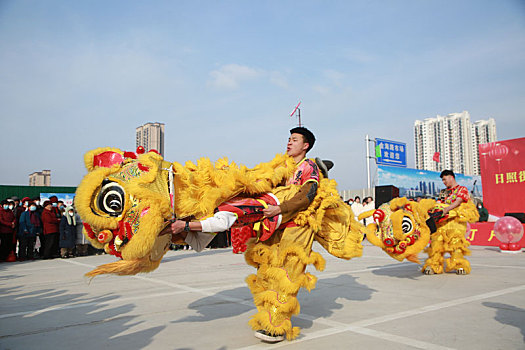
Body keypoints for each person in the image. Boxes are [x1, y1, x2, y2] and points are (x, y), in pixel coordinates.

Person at [161, 127, 363, 342]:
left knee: (288, 274)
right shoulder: (281, 166)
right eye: (288, 139)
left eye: (294, 140)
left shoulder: (308, 166)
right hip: (274, 225)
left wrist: (281, 208)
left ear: (306, 145)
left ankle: (276, 325)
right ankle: (268, 315)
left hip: (297, 227)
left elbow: (308, 194)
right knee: (267, 272)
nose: (289, 143)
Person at [423, 170, 479, 275]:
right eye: (442, 180)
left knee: (456, 243)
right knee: (437, 243)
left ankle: (459, 265)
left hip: (455, 222)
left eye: (445, 179)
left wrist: (446, 210)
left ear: (451, 177)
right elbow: (438, 203)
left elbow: (458, 202)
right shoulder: (443, 192)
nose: (444, 182)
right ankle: (434, 265)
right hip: (442, 222)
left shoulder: (462, 189)